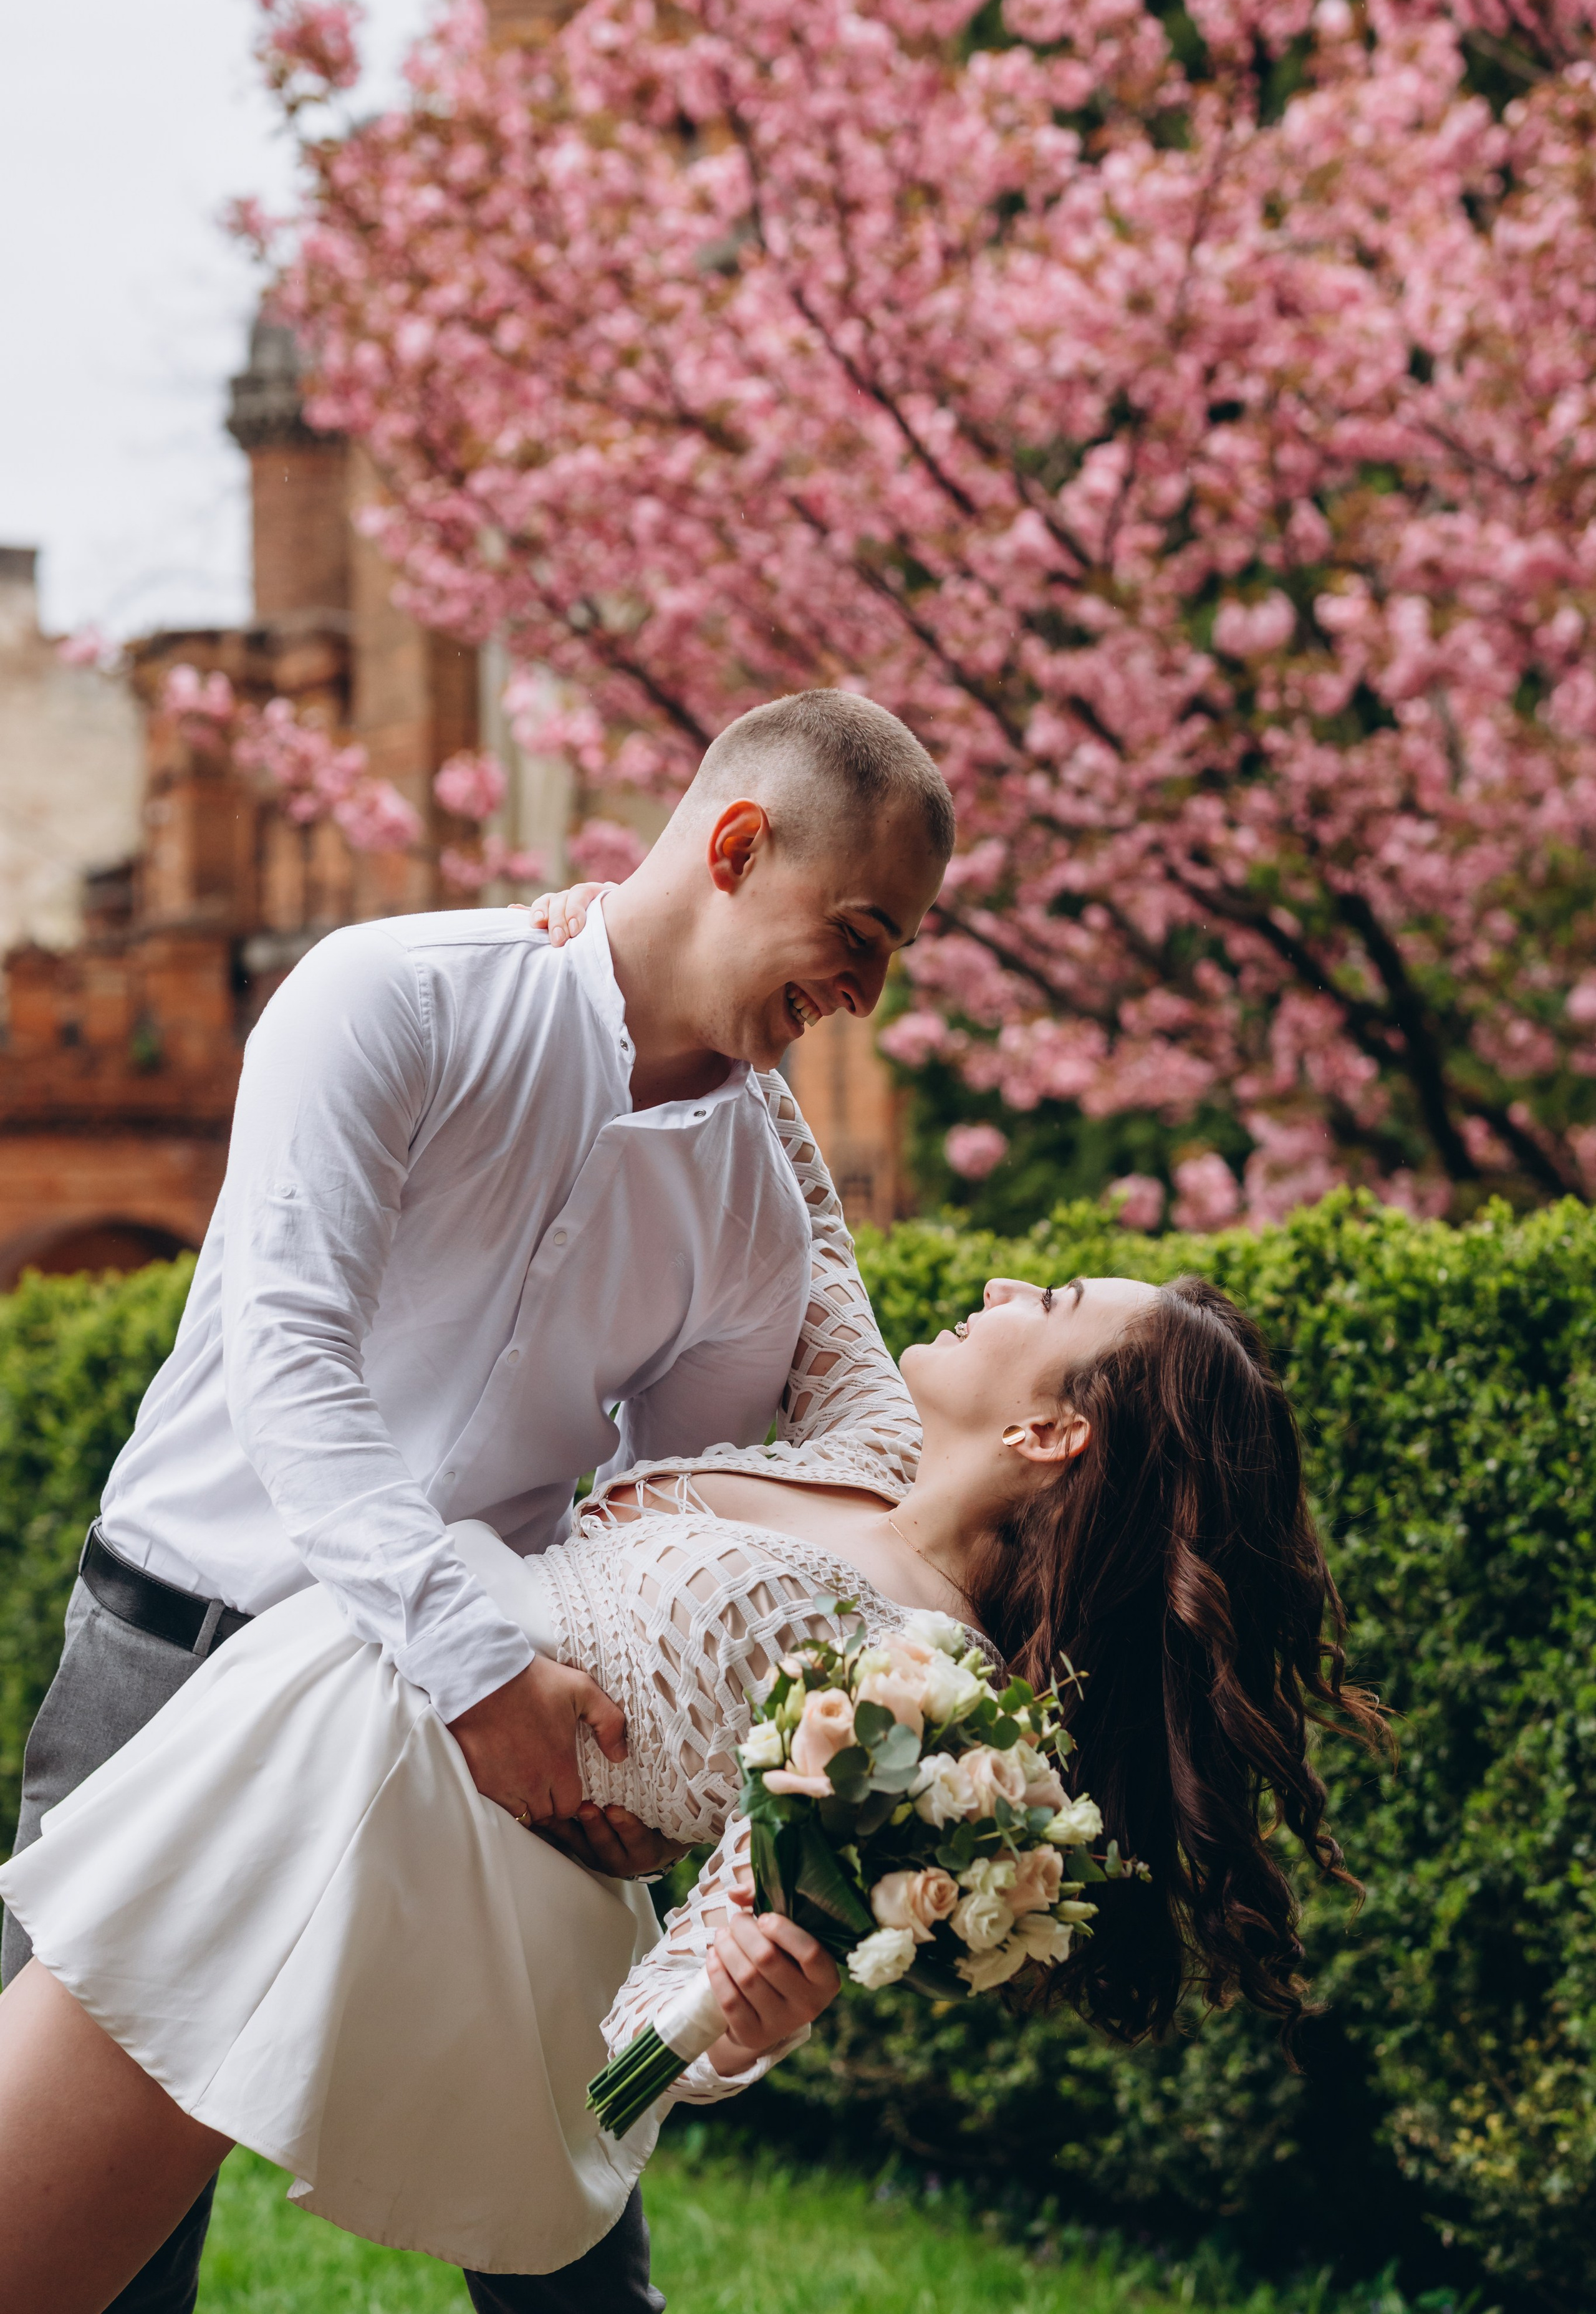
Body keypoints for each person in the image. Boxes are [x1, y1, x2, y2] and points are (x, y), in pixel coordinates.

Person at [0, 687, 954, 2314]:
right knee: (77, 2252)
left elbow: (667, 1523)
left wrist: (675, 1821)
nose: (867, 994)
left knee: (577, 2239)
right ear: (734, 845)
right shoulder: (391, 998)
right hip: (182, 1659)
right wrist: (479, 1667)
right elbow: (294, 1367)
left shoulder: (752, 1212)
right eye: (858, 933)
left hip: (486, 1738)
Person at [0, 1242, 1387, 2314]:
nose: (1002, 1281)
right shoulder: (869, 1455)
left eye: (1055, 1297)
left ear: (1051, 1434)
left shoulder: (922, 1685)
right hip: (303, 1729)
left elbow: (732, 1943)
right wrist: (614, 939)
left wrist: (728, 2027)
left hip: (377, 1810)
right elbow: (814, 1229)